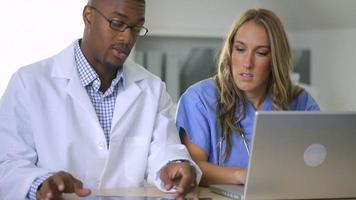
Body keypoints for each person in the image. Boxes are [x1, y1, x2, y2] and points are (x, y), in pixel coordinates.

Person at [0, 0, 201, 199]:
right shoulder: (29, 83)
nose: (127, 37)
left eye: (136, 28)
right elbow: (8, 163)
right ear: (89, 16)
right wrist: (41, 183)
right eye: (117, 23)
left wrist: (175, 166)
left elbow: (165, 150)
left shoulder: (152, 88)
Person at [175, 8, 319, 187]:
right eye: (240, 49)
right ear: (230, 52)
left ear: (275, 59)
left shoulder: (300, 102)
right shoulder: (199, 100)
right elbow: (190, 168)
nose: (247, 63)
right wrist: (242, 176)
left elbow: (319, 164)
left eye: (261, 53)